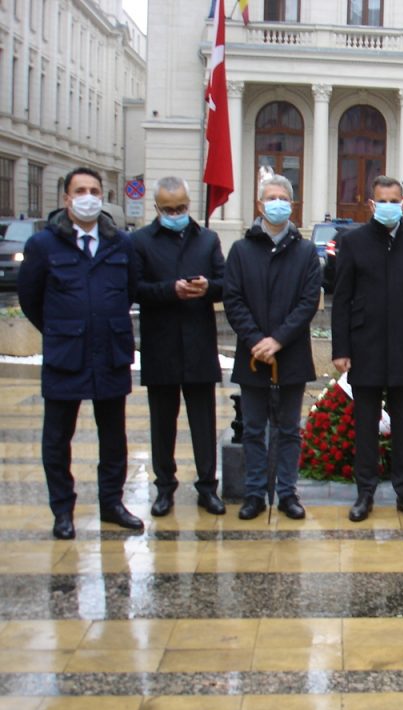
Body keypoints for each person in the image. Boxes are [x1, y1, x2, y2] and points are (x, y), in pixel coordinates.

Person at [17, 167, 144, 540]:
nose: (88, 197)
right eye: (80, 190)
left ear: (102, 196)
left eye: (94, 190)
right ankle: (62, 510)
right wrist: (61, 329)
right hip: (66, 354)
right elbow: (30, 299)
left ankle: (112, 503)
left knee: (114, 436)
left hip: (110, 351)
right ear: (67, 199)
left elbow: (129, 289)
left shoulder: (120, 243)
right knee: (57, 438)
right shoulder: (44, 245)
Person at [331, 175, 403, 522]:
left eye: (395, 201)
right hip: (365, 347)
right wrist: (341, 349)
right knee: (366, 426)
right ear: (371, 204)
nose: (390, 207)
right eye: (383, 201)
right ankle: (365, 493)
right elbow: (342, 300)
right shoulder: (352, 242)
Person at [223, 174, 322, 522]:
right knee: (253, 429)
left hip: (291, 354)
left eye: (283, 198)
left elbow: (308, 302)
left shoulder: (306, 252)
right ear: (260, 204)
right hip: (253, 356)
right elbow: (233, 299)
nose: (277, 203)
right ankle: (254, 493)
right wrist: (256, 340)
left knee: (289, 429)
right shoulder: (241, 250)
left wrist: (278, 339)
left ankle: (287, 493)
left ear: (291, 205)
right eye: (271, 197)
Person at [132, 177, 226, 518]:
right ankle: (164, 487)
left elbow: (226, 283)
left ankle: (207, 487)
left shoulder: (208, 239)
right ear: (157, 208)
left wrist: (208, 287)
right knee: (162, 423)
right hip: (161, 345)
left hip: (199, 344)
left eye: (182, 208)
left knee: (204, 422)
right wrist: (170, 290)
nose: (176, 214)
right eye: (169, 209)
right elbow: (135, 288)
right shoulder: (140, 241)